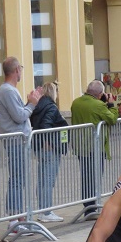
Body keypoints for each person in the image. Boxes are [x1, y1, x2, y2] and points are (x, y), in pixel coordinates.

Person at [0, 57, 42, 233]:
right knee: (16, 179)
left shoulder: (9, 90)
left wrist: (30, 102)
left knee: (19, 179)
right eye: (21, 68)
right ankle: (14, 220)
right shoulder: (8, 91)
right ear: (16, 70)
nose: (21, 72)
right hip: (15, 141)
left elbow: (18, 113)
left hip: (17, 141)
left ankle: (19, 216)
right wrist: (32, 104)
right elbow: (19, 116)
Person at [70, 80, 119, 217]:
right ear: (100, 94)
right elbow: (112, 119)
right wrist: (110, 104)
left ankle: (88, 206)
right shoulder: (99, 105)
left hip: (80, 145)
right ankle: (92, 208)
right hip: (94, 147)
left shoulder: (76, 102)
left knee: (86, 176)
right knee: (95, 177)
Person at [30, 82, 69, 223]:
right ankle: (46, 211)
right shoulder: (51, 107)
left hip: (40, 147)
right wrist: (49, 142)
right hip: (50, 148)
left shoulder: (38, 106)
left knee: (42, 179)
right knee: (48, 180)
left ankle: (43, 210)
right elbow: (46, 125)